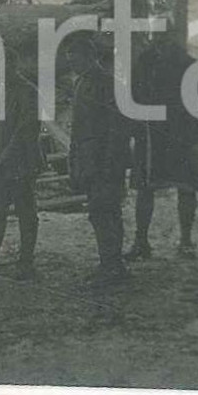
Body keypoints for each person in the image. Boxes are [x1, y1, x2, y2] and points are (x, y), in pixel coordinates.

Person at [127, 19, 198, 259]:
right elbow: (132, 96)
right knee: (145, 189)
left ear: (172, 36)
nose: (159, 40)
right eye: (155, 35)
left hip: (182, 136)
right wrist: (134, 127)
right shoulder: (144, 64)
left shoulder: (188, 65)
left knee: (186, 188)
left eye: (163, 35)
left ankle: (186, 242)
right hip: (151, 137)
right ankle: (141, 242)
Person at [69, 32, 133, 286]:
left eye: (76, 59)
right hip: (90, 159)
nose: (72, 64)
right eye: (70, 60)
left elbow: (118, 127)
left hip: (106, 160)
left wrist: (109, 162)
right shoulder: (82, 83)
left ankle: (113, 266)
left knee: (106, 210)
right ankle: (110, 263)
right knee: (99, 211)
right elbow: (78, 128)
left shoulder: (107, 83)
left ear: (90, 57)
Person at [0, 47, 43, 280]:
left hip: (21, 163)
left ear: (14, 65)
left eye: (3, 66)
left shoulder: (28, 92)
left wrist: (3, 159)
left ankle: (25, 263)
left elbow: (26, 131)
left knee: (26, 213)